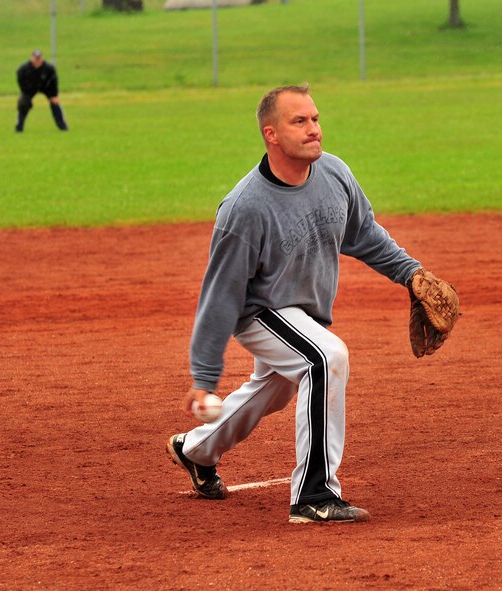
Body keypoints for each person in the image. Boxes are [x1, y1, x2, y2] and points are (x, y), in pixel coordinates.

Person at [166, 84, 458, 524]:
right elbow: (220, 294)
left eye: (315, 119)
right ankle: (314, 495)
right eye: (299, 121)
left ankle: (196, 451)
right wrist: (205, 377)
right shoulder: (245, 208)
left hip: (301, 313)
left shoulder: (335, 174)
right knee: (325, 357)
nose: (314, 129)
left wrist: (411, 273)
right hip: (257, 310)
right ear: (271, 134)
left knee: (276, 389)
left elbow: (364, 234)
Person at [16, 49, 68, 132]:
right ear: (31, 58)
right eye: (36, 58)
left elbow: (53, 81)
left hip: (46, 87)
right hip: (30, 88)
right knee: (23, 103)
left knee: (55, 103)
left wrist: (54, 95)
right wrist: (26, 95)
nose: (37, 60)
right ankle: (19, 127)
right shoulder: (24, 69)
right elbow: (21, 81)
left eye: (39, 58)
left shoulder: (49, 68)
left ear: (42, 58)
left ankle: (62, 127)